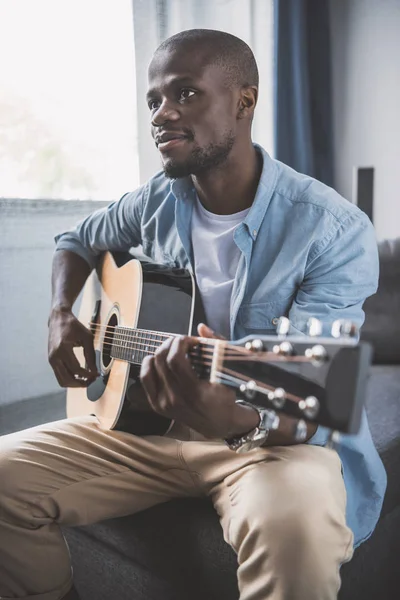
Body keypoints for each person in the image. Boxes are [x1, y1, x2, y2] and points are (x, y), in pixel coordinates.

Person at [0, 29, 386, 600]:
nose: (162, 114)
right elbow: (76, 239)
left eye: (185, 94)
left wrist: (231, 417)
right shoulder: (156, 199)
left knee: (296, 525)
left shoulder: (333, 228)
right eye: (154, 100)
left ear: (244, 101)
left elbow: (314, 396)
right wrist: (60, 313)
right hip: (147, 430)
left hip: (268, 443)